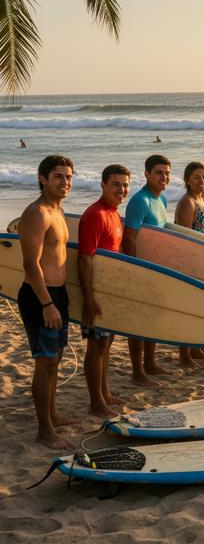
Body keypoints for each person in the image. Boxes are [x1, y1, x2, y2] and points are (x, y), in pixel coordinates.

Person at [17, 155, 76, 449]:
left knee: (57, 360)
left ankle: (52, 413)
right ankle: (44, 430)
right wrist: (46, 304)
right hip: (40, 297)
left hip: (58, 295)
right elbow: (31, 264)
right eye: (58, 176)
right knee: (46, 363)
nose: (64, 182)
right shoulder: (37, 213)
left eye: (68, 177)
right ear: (42, 178)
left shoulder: (58, 211)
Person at [78, 164, 130, 417]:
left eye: (124, 185)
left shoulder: (114, 213)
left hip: (109, 293)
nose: (122, 189)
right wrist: (89, 298)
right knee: (96, 346)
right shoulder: (95, 214)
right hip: (96, 294)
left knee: (106, 345)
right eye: (116, 184)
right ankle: (95, 402)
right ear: (103, 186)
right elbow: (85, 258)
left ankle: (105, 393)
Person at [123, 154, 171, 385]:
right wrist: (135, 270)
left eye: (167, 173)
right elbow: (128, 239)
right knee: (137, 321)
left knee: (152, 317)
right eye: (159, 173)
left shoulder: (161, 200)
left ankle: (150, 363)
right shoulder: (140, 201)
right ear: (147, 174)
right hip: (141, 267)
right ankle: (137, 371)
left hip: (156, 269)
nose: (164, 177)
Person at [174, 161, 204, 367]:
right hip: (190, 263)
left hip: (203, 260)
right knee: (188, 308)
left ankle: (196, 349)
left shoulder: (202, 200)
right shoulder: (187, 203)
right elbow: (184, 239)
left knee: (199, 307)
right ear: (187, 180)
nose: (202, 181)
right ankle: (184, 355)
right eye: (197, 177)